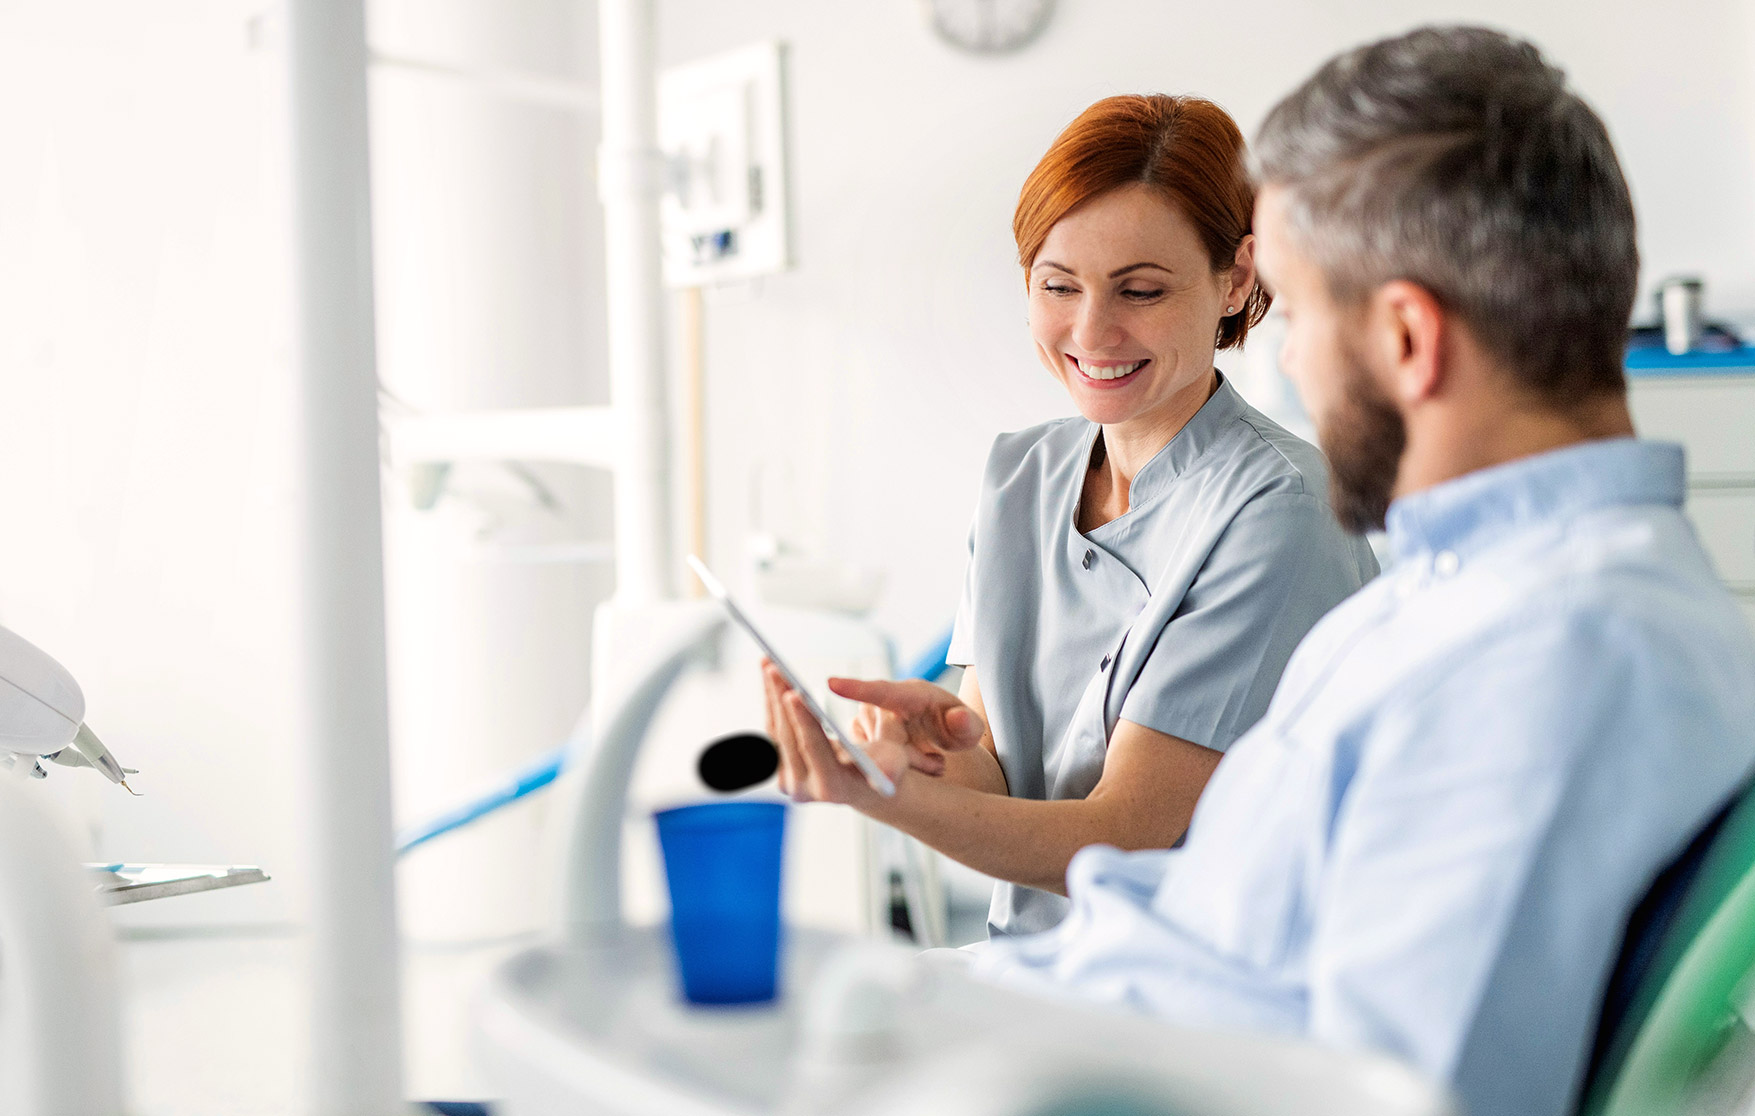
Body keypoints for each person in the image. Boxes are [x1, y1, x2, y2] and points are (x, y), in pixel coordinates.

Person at [776, 26, 1755, 1116]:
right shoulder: (1467, 601)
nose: (1283, 353)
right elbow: (1214, 922)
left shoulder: (1554, 657)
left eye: (1296, 306)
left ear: (1405, 340)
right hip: (1052, 1020)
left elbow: (1393, 1090)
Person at [763, 94, 1376, 939]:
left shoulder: (1278, 508)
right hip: (1040, 973)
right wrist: (931, 757)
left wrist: (889, 800)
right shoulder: (1020, 474)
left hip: (1196, 1002)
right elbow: (1001, 781)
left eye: (1141, 290)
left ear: (1237, 278)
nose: (1092, 331)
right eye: (1058, 285)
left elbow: (1119, 838)